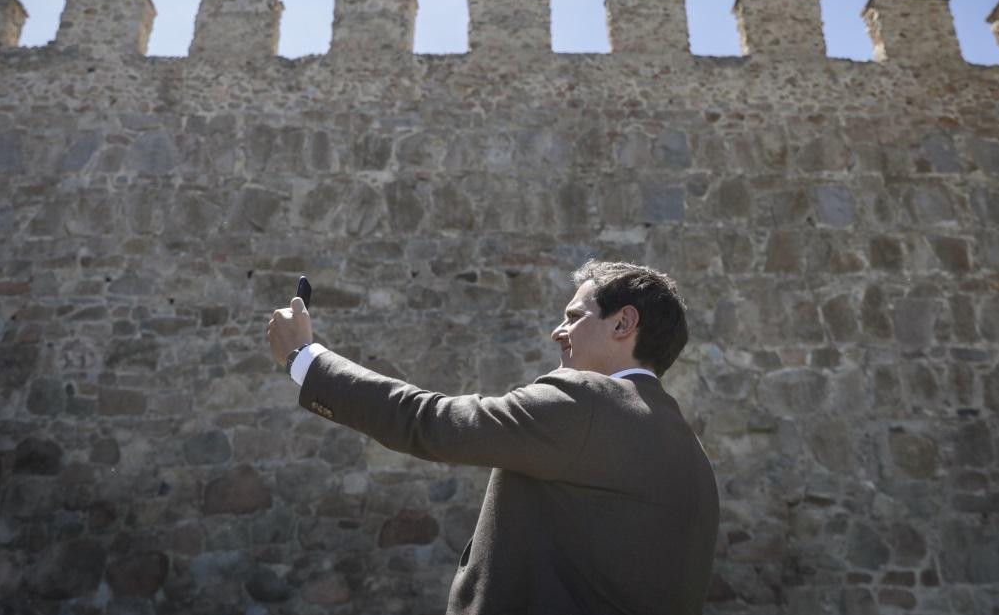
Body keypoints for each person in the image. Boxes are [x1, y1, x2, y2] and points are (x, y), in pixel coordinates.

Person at [266, 260, 719, 614]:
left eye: (574, 316)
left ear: (623, 324)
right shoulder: (690, 451)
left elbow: (431, 422)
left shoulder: (589, 403)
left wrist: (306, 359)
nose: (557, 332)